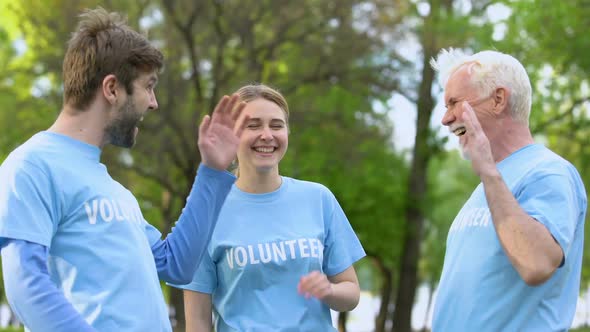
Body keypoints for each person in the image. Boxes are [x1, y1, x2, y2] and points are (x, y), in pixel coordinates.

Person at [0, 8, 248, 332]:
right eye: (148, 86)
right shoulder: (32, 165)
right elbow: (25, 287)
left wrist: (213, 171)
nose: (153, 102)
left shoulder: (115, 191)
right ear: (112, 89)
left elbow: (176, 264)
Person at [170, 84, 366, 331]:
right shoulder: (206, 214)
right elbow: (198, 321)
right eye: (253, 125)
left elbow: (351, 293)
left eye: (276, 125)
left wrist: (329, 291)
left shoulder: (318, 198)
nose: (266, 135)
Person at [430, 49, 587, 331]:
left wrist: (488, 172)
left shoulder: (547, 171)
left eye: (454, 103)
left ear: (499, 99)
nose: (446, 119)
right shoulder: (487, 186)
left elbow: (536, 263)